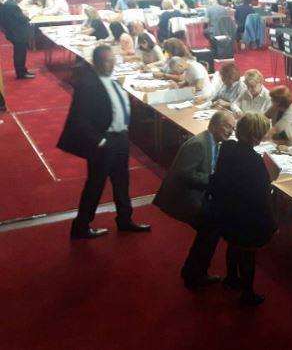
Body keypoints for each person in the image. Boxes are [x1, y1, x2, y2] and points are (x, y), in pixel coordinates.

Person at [57, 45, 150, 239]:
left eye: (112, 59)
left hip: (121, 139)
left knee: (122, 182)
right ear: (97, 63)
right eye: (108, 60)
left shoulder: (113, 81)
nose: (112, 63)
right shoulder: (88, 85)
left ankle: (125, 220)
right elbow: (79, 119)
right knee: (96, 185)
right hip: (105, 142)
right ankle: (81, 226)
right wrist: (99, 141)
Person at [153, 111, 236, 289]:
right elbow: (185, 174)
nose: (231, 131)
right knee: (211, 227)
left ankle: (193, 271)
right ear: (213, 125)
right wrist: (214, 181)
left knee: (212, 227)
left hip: (196, 194)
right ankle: (195, 274)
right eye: (227, 126)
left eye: (233, 128)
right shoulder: (199, 144)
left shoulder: (213, 142)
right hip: (183, 198)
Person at [207, 113, 277, 306]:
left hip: (226, 210)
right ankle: (247, 293)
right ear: (256, 136)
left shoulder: (227, 147)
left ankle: (231, 278)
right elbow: (261, 195)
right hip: (246, 216)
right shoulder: (254, 161)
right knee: (248, 253)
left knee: (233, 244)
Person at [0, 0, 35, 79]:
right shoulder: (12, 6)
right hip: (17, 34)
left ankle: (23, 71)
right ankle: (21, 73)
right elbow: (22, 19)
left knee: (20, 53)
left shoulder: (9, 3)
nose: (22, 0)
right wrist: (27, 16)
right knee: (20, 54)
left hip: (14, 32)